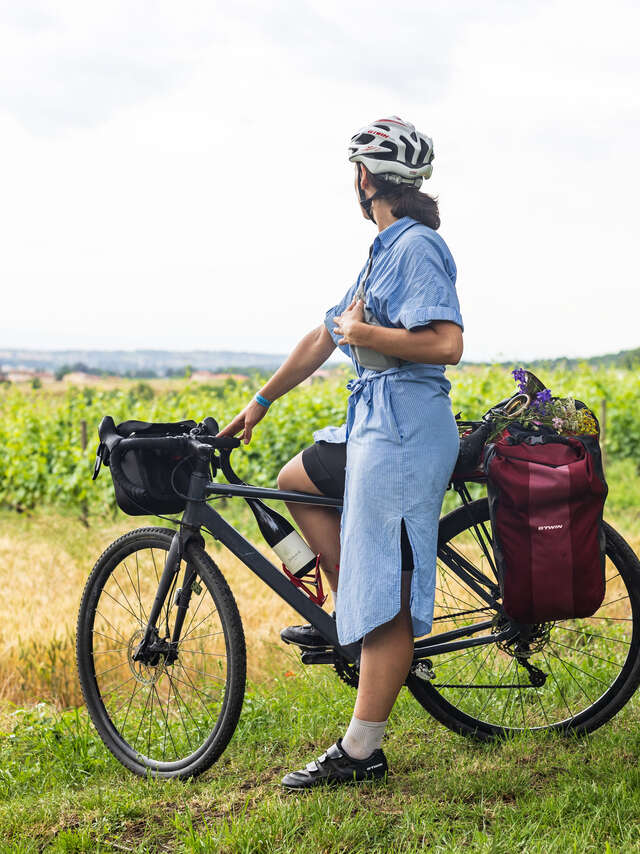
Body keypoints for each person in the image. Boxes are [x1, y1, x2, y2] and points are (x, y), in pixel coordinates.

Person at [218, 116, 464, 789]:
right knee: (297, 476)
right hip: (378, 427)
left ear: (364, 179)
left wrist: (368, 328)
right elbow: (326, 336)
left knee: (386, 586)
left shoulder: (417, 247)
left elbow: (446, 344)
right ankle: (356, 619)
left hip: (407, 433)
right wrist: (259, 403)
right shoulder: (382, 249)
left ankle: (362, 750)